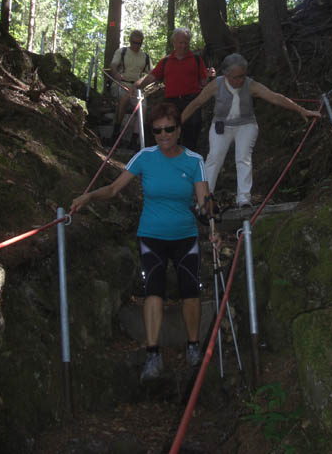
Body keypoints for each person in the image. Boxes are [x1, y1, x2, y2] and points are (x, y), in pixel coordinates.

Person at [70, 102, 220, 382]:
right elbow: (114, 188)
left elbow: (203, 202)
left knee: (190, 291)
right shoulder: (144, 157)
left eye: (169, 129)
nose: (163, 135)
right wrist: (89, 196)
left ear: (179, 130)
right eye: (157, 131)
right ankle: (153, 354)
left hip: (185, 235)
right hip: (151, 235)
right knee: (154, 291)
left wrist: (211, 222)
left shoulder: (194, 161)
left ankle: (193, 347)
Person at [180, 53, 322, 208]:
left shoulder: (251, 85)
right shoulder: (216, 85)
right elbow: (196, 103)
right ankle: (205, 199)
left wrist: (301, 110)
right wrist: (178, 124)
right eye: (236, 77)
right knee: (214, 158)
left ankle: (244, 199)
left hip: (246, 125)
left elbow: (275, 97)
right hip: (221, 125)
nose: (240, 80)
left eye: (243, 76)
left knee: (243, 158)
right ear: (226, 75)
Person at [132, 27, 215, 151]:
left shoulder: (197, 60)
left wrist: (210, 77)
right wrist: (136, 86)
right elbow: (151, 77)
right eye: (181, 42)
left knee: (191, 136)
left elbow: (204, 83)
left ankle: (189, 160)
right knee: (170, 134)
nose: (184, 46)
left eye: (186, 42)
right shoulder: (166, 61)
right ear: (174, 43)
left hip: (192, 102)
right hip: (171, 103)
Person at [110, 30, 152, 149]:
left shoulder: (145, 57)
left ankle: (134, 139)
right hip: (121, 84)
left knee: (143, 106)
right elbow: (113, 65)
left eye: (139, 43)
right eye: (134, 42)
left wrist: (143, 83)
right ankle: (116, 131)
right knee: (124, 97)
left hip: (138, 87)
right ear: (130, 41)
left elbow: (152, 73)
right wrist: (116, 74)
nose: (136, 45)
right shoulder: (122, 52)